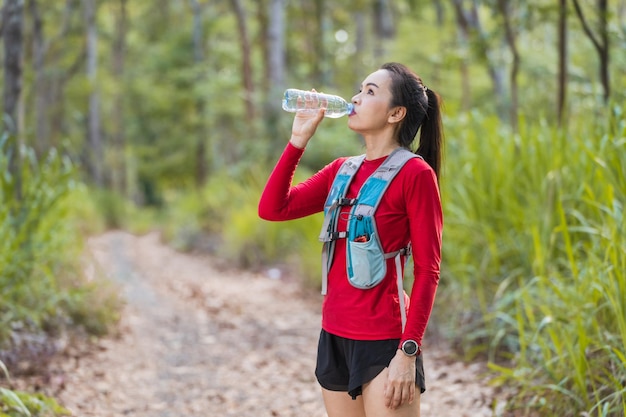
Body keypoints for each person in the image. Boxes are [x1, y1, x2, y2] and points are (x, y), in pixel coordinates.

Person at [258, 62, 443, 417]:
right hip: (335, 336)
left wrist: (408, 352)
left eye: (370, 92)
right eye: (360, 89)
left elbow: (428, 270)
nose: (356, 98)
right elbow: (273, 209)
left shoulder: (415, 173)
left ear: (396, 113)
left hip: (386, 342)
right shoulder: (341, 169)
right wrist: (298, 140)